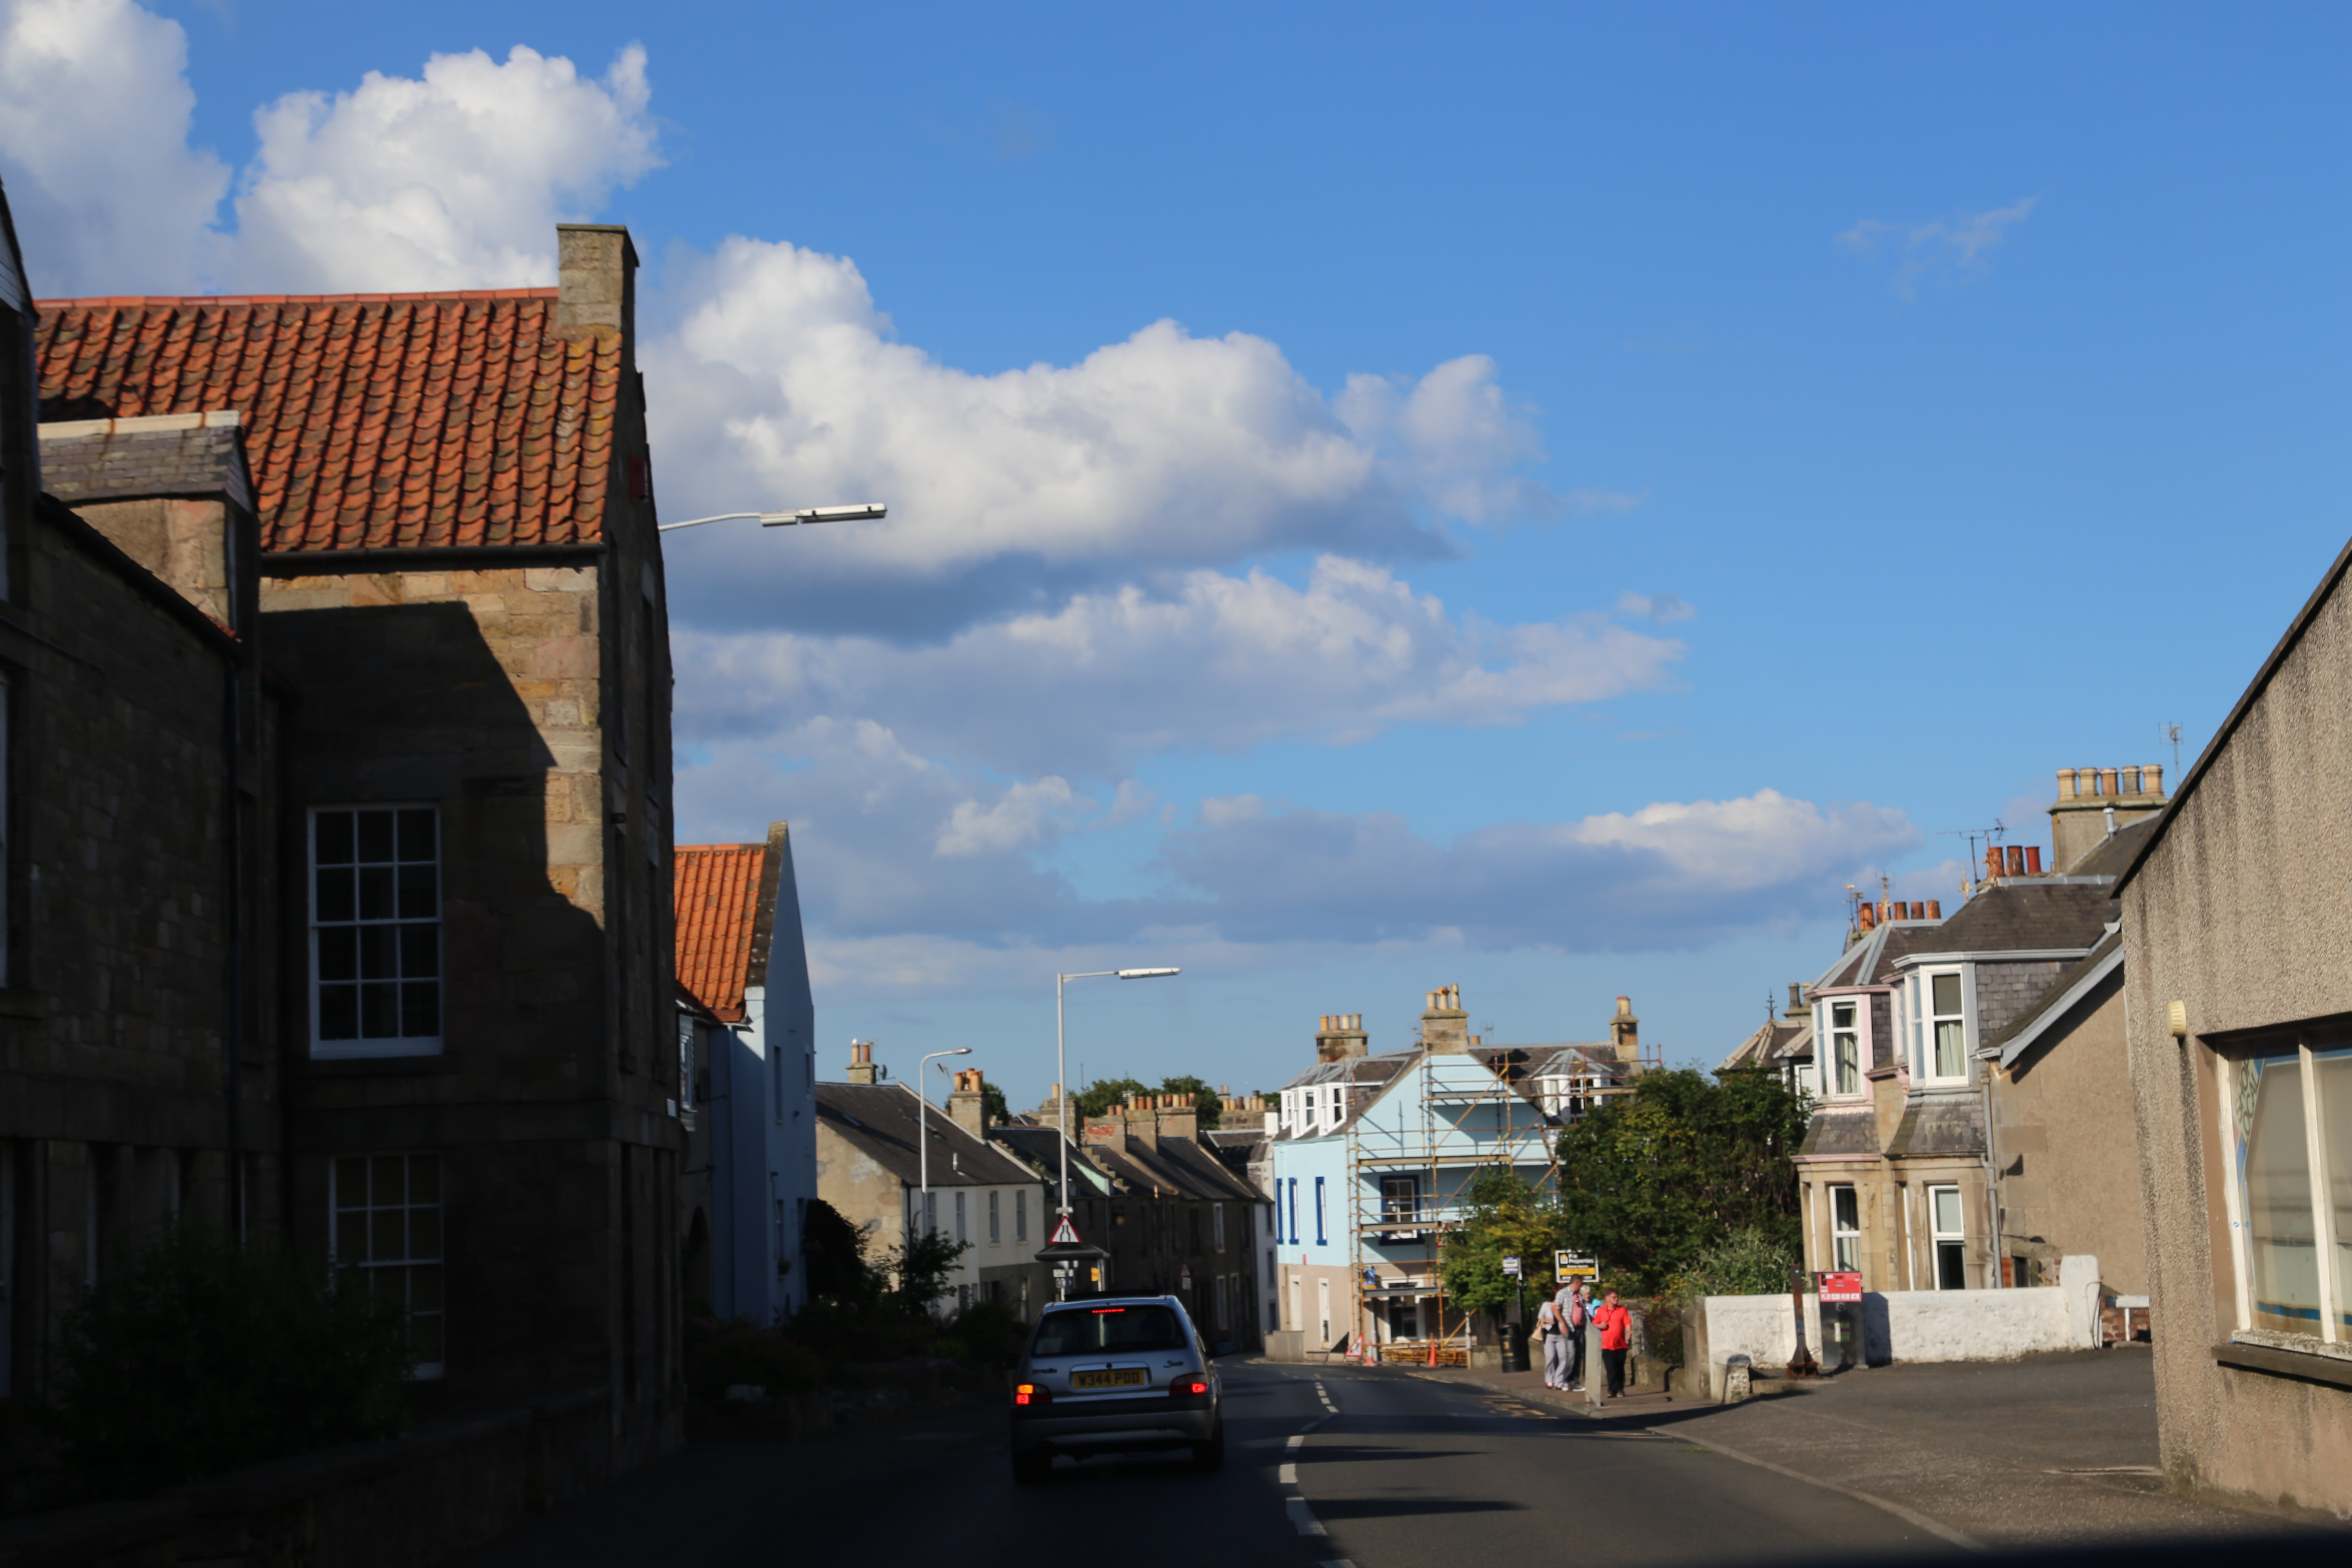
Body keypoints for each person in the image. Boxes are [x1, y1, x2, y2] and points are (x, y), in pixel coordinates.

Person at [1593, 1286, 1633, 1399]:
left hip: (1620, 1344)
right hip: (1606, 1345)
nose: (1617, 1299)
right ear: (1607, 1298)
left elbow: (1627, 1323)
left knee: (1620, 1368)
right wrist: (1600, 1326)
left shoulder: (1622, 1310)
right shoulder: (1601, 1311)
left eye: (1617, 1297)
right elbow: (1593, 1323)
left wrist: (1629, 1333)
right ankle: (1612, 1389)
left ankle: (1620, 1389)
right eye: (1614, 1297)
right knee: (1611, 1368)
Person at [1555, 1280, 1589, 1392]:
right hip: (1569, 1328)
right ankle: (1565, 1380)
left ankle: (1575, 1383)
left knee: (1579, 1356)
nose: (1581, 1287)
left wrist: (1589, 1326)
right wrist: (1563, 1324)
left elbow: (1584, 1312)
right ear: (1577, 1283)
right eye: (1581, 1284)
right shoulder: (1563, 1293)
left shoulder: (1579, 1296)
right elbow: (1556, 1310)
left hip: (1580, 1328)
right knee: (1572, 1354)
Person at [1535, 1296, 1568, 1389]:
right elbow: (1540, 1317)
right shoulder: (1546, 1305)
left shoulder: (1563, 1306)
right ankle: (1549, 1379)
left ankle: (1559, 1381)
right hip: (1550, 1335)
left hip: (1561, 1336)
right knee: (1551, 1358)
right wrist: (1549, 1321)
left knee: (1563, 1358)